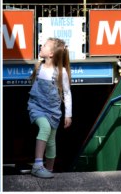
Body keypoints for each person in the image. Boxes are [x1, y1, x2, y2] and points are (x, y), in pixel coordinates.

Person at [27, 37, 73, 178]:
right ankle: (38, 166)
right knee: (45, 128)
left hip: (53, 111)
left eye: (45, 45)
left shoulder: (61, 72)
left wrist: (68, 114)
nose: (41, 46)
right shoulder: (37, 67)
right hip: (36, 107)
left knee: (51, 142)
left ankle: (49, 170)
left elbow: (67, 93)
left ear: (52, 53)